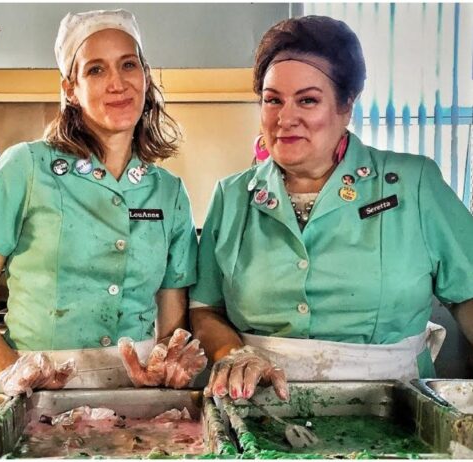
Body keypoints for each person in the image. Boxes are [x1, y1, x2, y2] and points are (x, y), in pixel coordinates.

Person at [190, 15, 473, 402]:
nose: (285, 118)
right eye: (273, 100)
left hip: (395, 408)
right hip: (262, 407)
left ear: (346, 106)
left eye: (307, 100)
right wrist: (234, 353)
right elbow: (205, 309)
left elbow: (468, 295)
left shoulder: (413, 183)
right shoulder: (233, 196)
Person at [0, 8, 206, 395]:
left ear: (146, 76)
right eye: (96, 70)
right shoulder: (27, 168)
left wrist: (167, 364)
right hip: (35, 396)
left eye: (128, 65)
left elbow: (172, 329)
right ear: (70, 88)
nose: (117, 83)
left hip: (134, 402)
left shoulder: (169, 192)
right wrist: (12, 370)